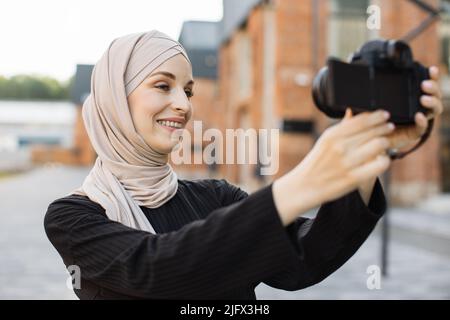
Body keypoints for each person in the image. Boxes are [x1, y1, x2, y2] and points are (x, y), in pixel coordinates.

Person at [44, 30, 443, 300]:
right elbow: (156, 269)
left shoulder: (215, 196)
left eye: (187, 90)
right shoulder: (72, 217)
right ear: (115, 98)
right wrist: (301, 184)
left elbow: (305, 258)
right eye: (162, 86)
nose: (183, 105)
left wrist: (371, 150)